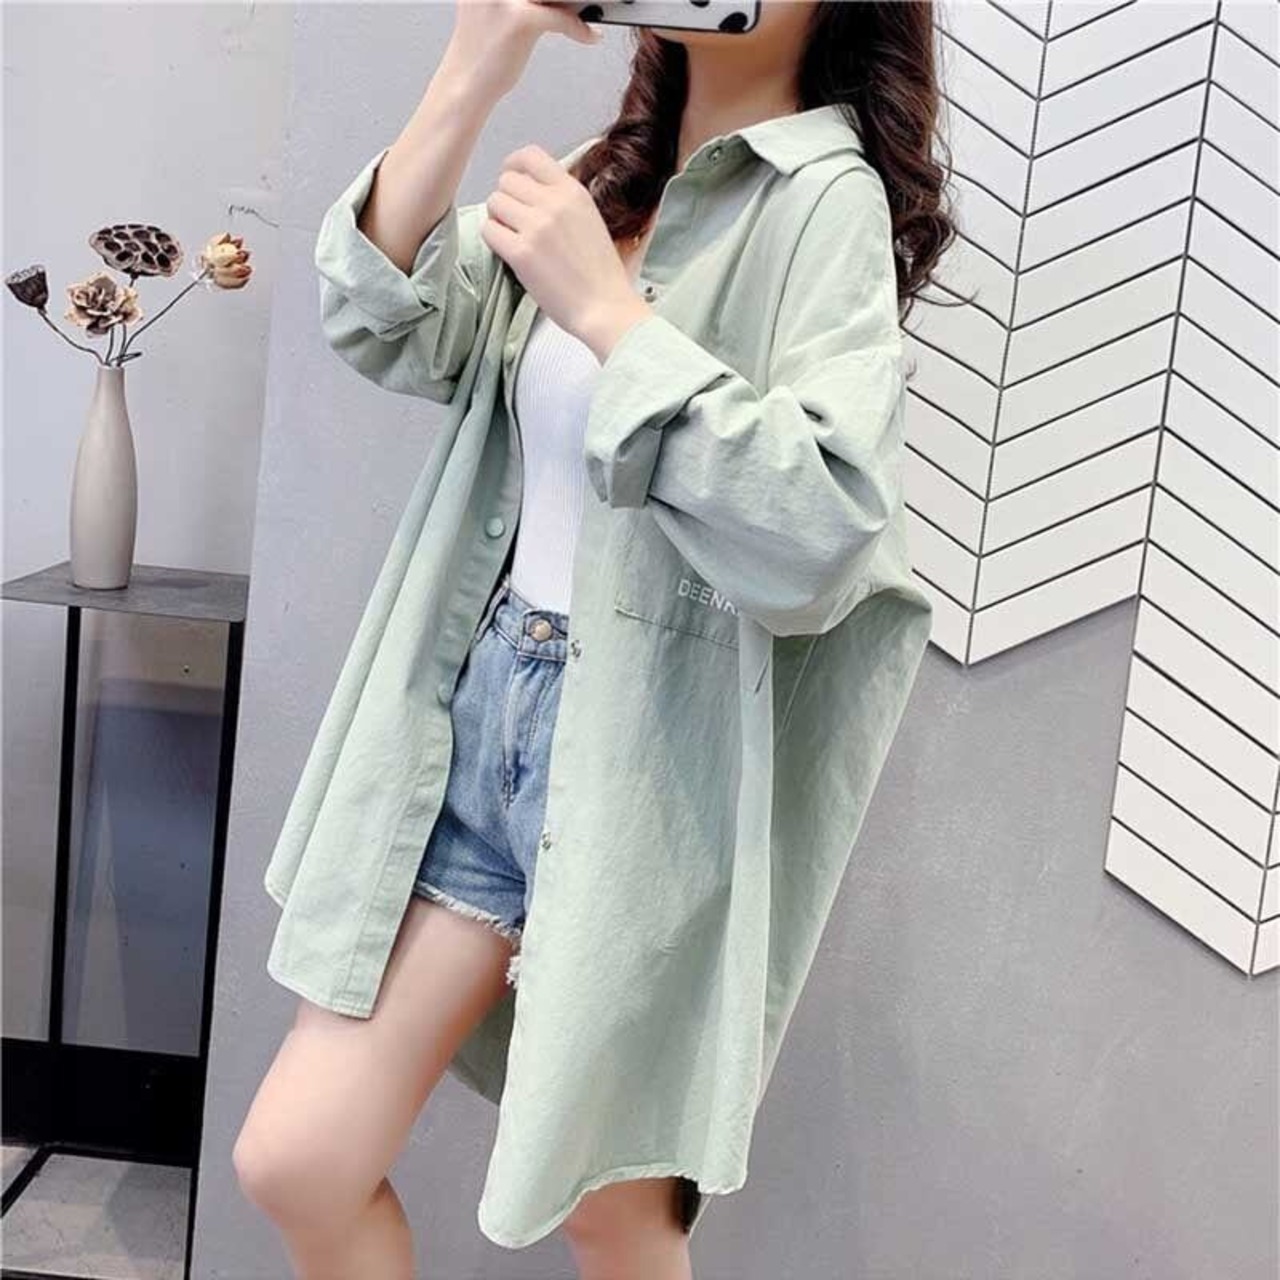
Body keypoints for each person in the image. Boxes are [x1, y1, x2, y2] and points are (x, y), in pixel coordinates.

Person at [234, 1, 955, 1276]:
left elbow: (822, 522)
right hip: (477, 729)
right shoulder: (599, 178)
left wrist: (612, 317)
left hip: (648, 767)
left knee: (612, 1213)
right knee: (299, 1158)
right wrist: (477, 59)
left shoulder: (820, 201)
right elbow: (383, 320)